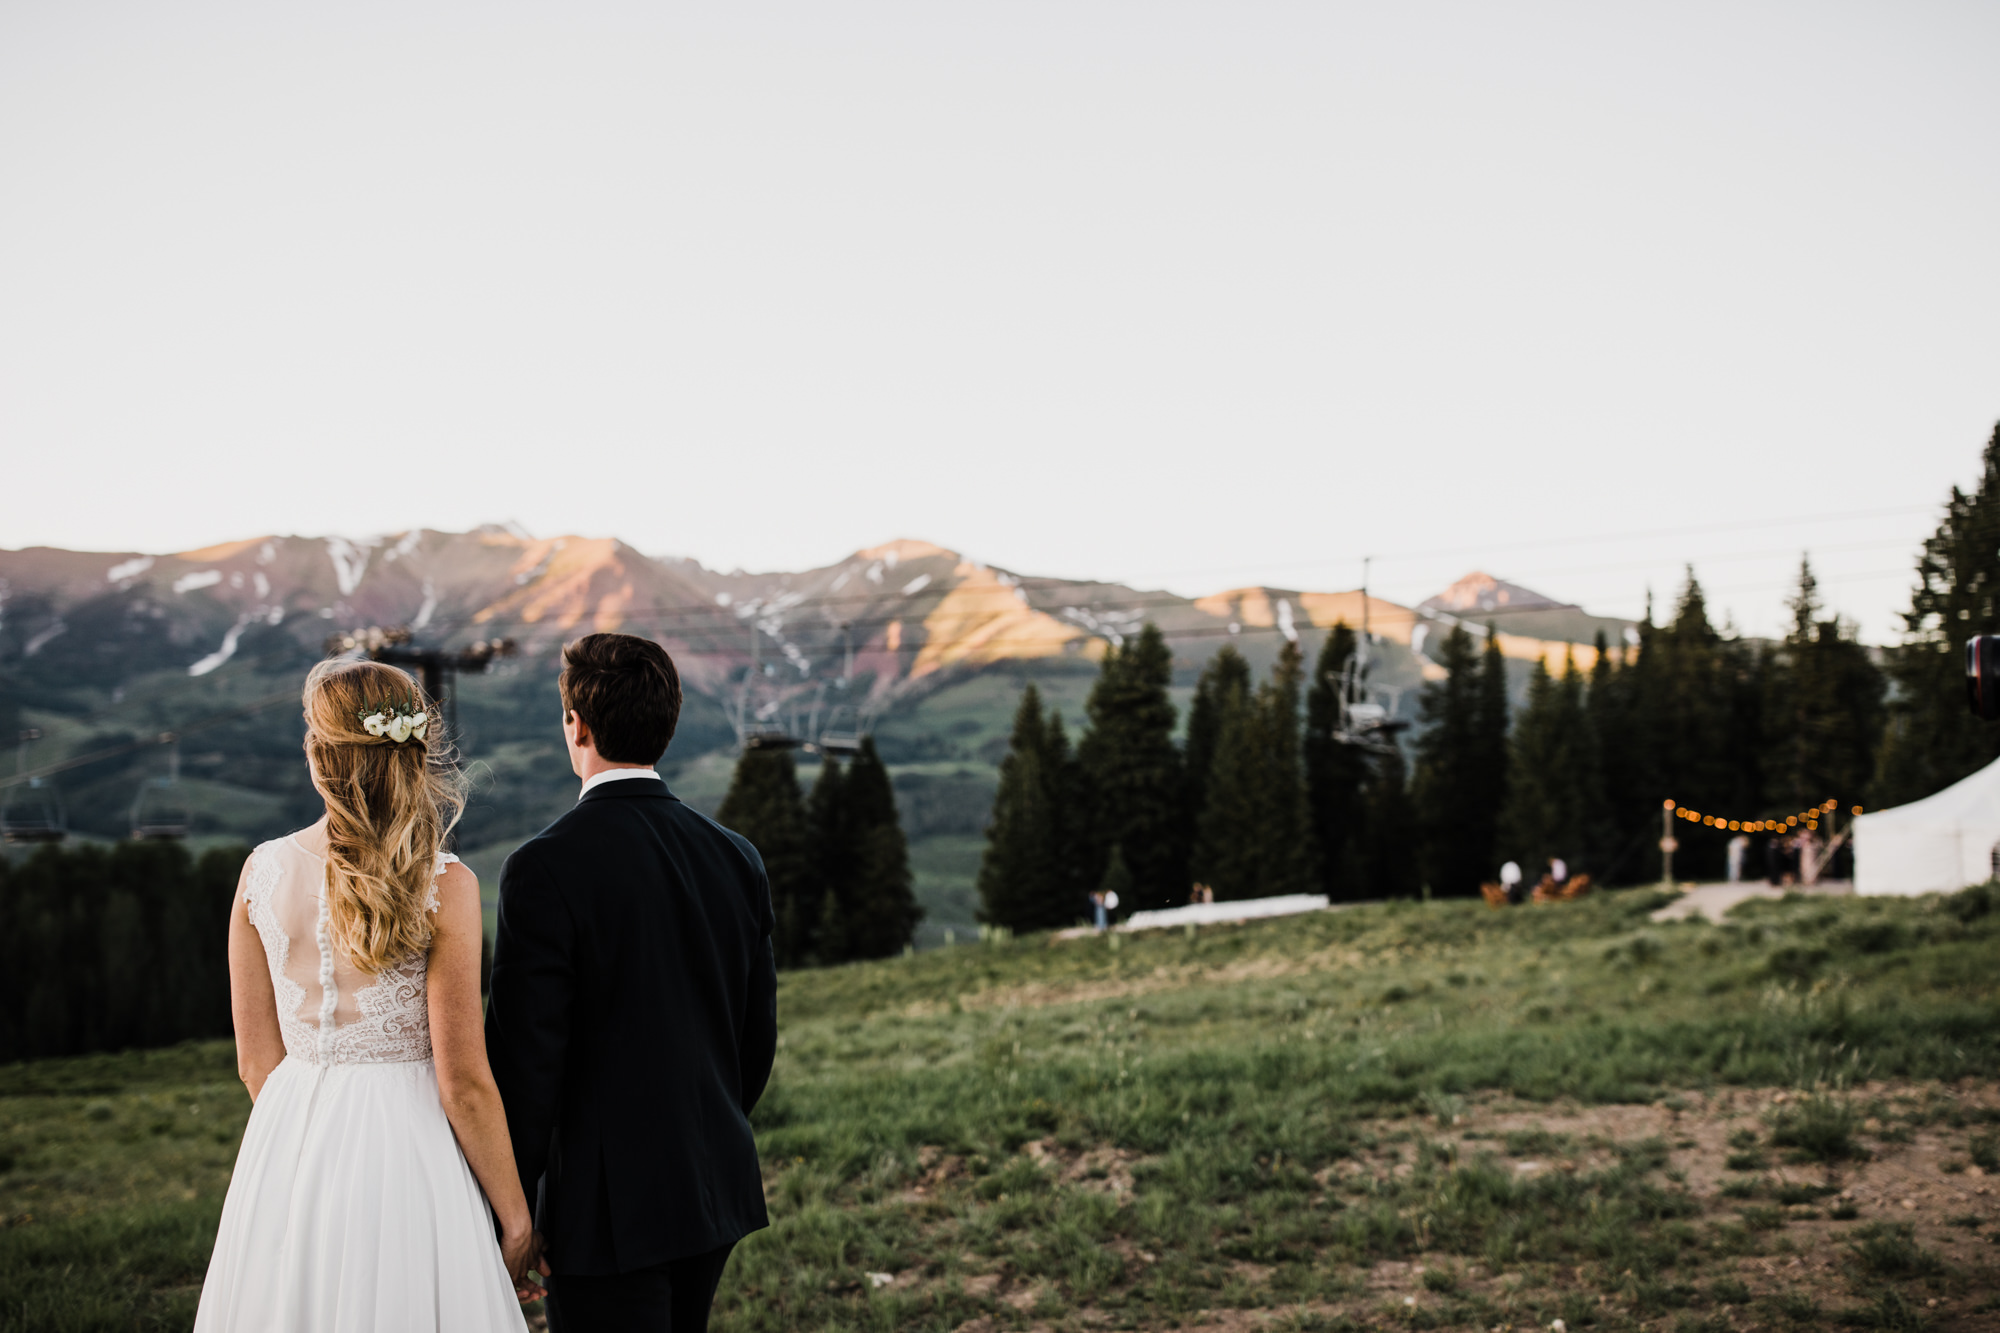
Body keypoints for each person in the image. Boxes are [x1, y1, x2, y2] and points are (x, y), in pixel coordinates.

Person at [195, 659, 535, 1332]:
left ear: (318, 753)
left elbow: (255, 1062)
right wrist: (517, 1217)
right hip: (407, 1149)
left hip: (289, 1140)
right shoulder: (446, 883)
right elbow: (462, 1080)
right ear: (411, 750)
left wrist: (313, 1137)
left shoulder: (259, 873)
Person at [487, 633, 778, 1333]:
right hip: (712, 1184)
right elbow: (755, 1038)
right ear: (667, 724)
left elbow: (528, 1063)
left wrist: (513, 1207)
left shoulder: (543, 867)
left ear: (576, 725)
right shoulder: (736, 855)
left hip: (604, 1207)